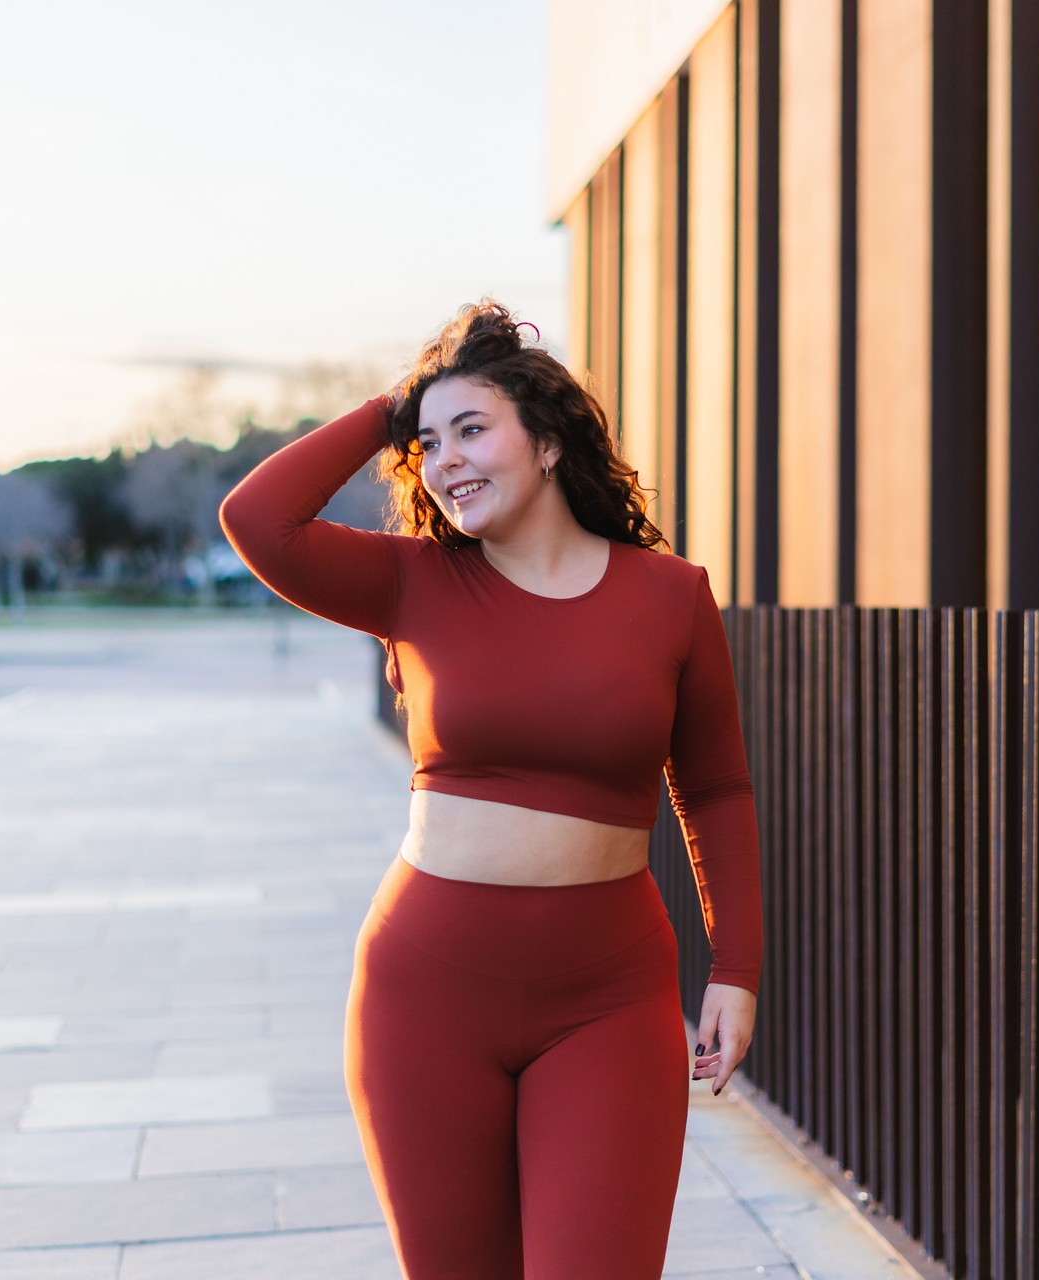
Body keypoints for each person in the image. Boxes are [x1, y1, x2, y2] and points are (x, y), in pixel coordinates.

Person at [219, 299, 761, 1279]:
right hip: (425, 995)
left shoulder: (669, 595)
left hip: (608, 998)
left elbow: (716, 785)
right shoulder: (412, 582)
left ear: (547, 440)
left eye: (473, 429)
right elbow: (256, 519)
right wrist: (399, 404)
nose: (445, 458)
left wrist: (738, 964)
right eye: (427, 443)